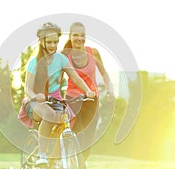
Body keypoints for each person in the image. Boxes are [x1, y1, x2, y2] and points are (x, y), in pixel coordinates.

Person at [21, 22, 95, 166]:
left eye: (55, 42)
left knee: (65, 118)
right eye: (49, 42)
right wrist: (36, 96)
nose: (52, 45)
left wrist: (87, 91)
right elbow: (28, 89)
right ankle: (42, 155)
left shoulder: (61, 59)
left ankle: (54, 161)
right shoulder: (34, 63)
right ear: (41, 42)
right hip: (34, 102)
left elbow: (75, 77)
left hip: (56, 101)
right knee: (49, 115)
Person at [62, 22, 115, 162]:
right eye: (76, 35)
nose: (79, 38)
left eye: (82, 35)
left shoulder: (93, 52)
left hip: (92, 101)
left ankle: (80, 162)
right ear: (70, 36)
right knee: (78, 137)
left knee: (88, 141)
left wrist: (110, 89)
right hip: (73, 100)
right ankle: (76, 163)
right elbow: (58, 79)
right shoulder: (64, 55)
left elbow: (104, 73)